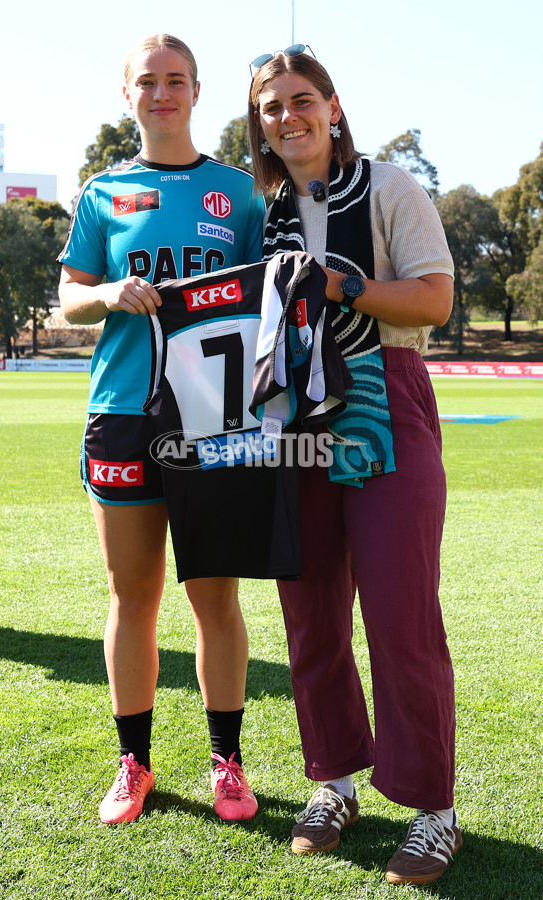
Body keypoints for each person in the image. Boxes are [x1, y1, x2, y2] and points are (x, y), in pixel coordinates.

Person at [248, 46, 460, 886]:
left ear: (333, 108)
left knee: (402, 614)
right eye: (271, 106)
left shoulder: (390, 187)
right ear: (258, 122)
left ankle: (432, 807)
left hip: (385, 397)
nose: (288, 116)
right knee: (310, 614)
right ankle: (334, 783)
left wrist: (344, 286)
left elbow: (436, 299)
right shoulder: (258, 209)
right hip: (291, 415)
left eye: (303, 100)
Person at [58, 33, 265, 826]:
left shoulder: (239, 193)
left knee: (216, 595)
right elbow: (68, 300)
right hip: (122, 411)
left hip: (214, 416)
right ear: (128, 95)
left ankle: (227, 763)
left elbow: (263, 305)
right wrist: (110, 290)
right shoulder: (102, 191)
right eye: (148, 81)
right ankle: (134, 764)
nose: (162, 93)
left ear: (197, 91)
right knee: (133, 595)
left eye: (176, 80)